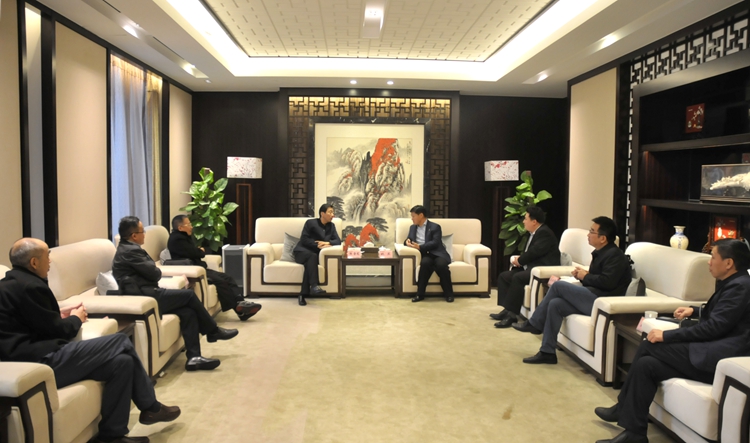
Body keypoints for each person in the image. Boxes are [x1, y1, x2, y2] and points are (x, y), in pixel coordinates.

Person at [0, 238, 180, 443]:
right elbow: (59, 331)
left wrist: (60, 315)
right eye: (47, 256)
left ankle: (113, 435)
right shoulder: (31, 286)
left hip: (33, 356)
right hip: (40, 362)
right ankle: (151, 407)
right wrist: (76, 318)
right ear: (34, 262)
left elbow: (35, 323)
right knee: (120, 341)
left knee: (122, 363)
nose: (50, 261)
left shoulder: (12, 284)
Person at [593, 239, 750, 443]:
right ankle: (635, 434)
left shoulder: (740, 286)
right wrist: (695, 310)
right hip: (710, 349)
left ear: (729, 263)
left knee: (650, 344)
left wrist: (666, 335)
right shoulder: (734, 282)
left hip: (718, 359)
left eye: (713, 257)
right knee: (646, 365)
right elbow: (724, 314)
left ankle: (621, 407)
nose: (709, 262)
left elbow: (715, 327)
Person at [113, 216, 238, 372]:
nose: (144, 234)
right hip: (146, 297)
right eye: (142, 231)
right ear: (134, 236)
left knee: (188, 312)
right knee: (189, 295)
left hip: (148, 293)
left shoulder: (128, 249)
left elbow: (151, 271)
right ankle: (213, 331)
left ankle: (194, 358)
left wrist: (153, 271)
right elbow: (154, 273)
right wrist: (154, 271)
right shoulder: (131, 251)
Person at [514, 216, 631, 364]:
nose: (588, 234)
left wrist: (586, 276)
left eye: (592, 231)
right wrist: (582, 275)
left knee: (558, 286)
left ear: (603, 238)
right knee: (555, 304)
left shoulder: (615, 256)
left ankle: (535, 323)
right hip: (593, 295)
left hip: (602, 302)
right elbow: (598, 278)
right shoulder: (601, 252)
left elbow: (607, 283)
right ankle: (547, 352)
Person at [167, 214, 262, 321]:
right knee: (220, 281)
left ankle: (241, 303)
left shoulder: (183, 237)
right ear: (180, 228)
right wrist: (200, 251)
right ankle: (239, 308)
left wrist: (199, 251)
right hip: (193, 270)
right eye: (188, 224)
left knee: (227, 277)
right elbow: (196, 253)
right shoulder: (177, 239)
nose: (191, 227)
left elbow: (194, 252)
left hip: (200, 268)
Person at [491, 206, 560, 328]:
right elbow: (530, 252)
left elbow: (535, 252)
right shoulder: (533, 233)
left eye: (525, 219)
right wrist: (520, 259)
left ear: (534, 222)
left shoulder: (544, 233)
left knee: (518, 277)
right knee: (504, 276)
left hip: (542, 269)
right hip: (531, 267)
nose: (523, 221)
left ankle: (512, 316)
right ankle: (507, 309)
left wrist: (520, 261)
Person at [404, 205, 454, 303]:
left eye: (413, 216)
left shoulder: (435, 227)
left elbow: (435, 242)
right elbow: (409, 238)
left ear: (421, 215)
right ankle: (420, 294)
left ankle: (449, 294)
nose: (412, 218)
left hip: (437, 253)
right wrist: (407, 241)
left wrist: (420, 247)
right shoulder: (412, 227)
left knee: (441, 265)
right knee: (425, 264)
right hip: (425, 254)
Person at [293, 203, 341, 306]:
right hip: (301, 252)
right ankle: (314, 285)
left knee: (310, 264)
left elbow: (338, 241)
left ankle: (302, 295)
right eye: (330, 212)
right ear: (322, 214)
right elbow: (304, 239)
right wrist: (318, 245)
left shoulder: (331, 226)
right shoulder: (310, 223)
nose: (333, 215)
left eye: (333, 212)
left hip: (313, 257)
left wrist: (327, 243)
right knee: (312, 256)